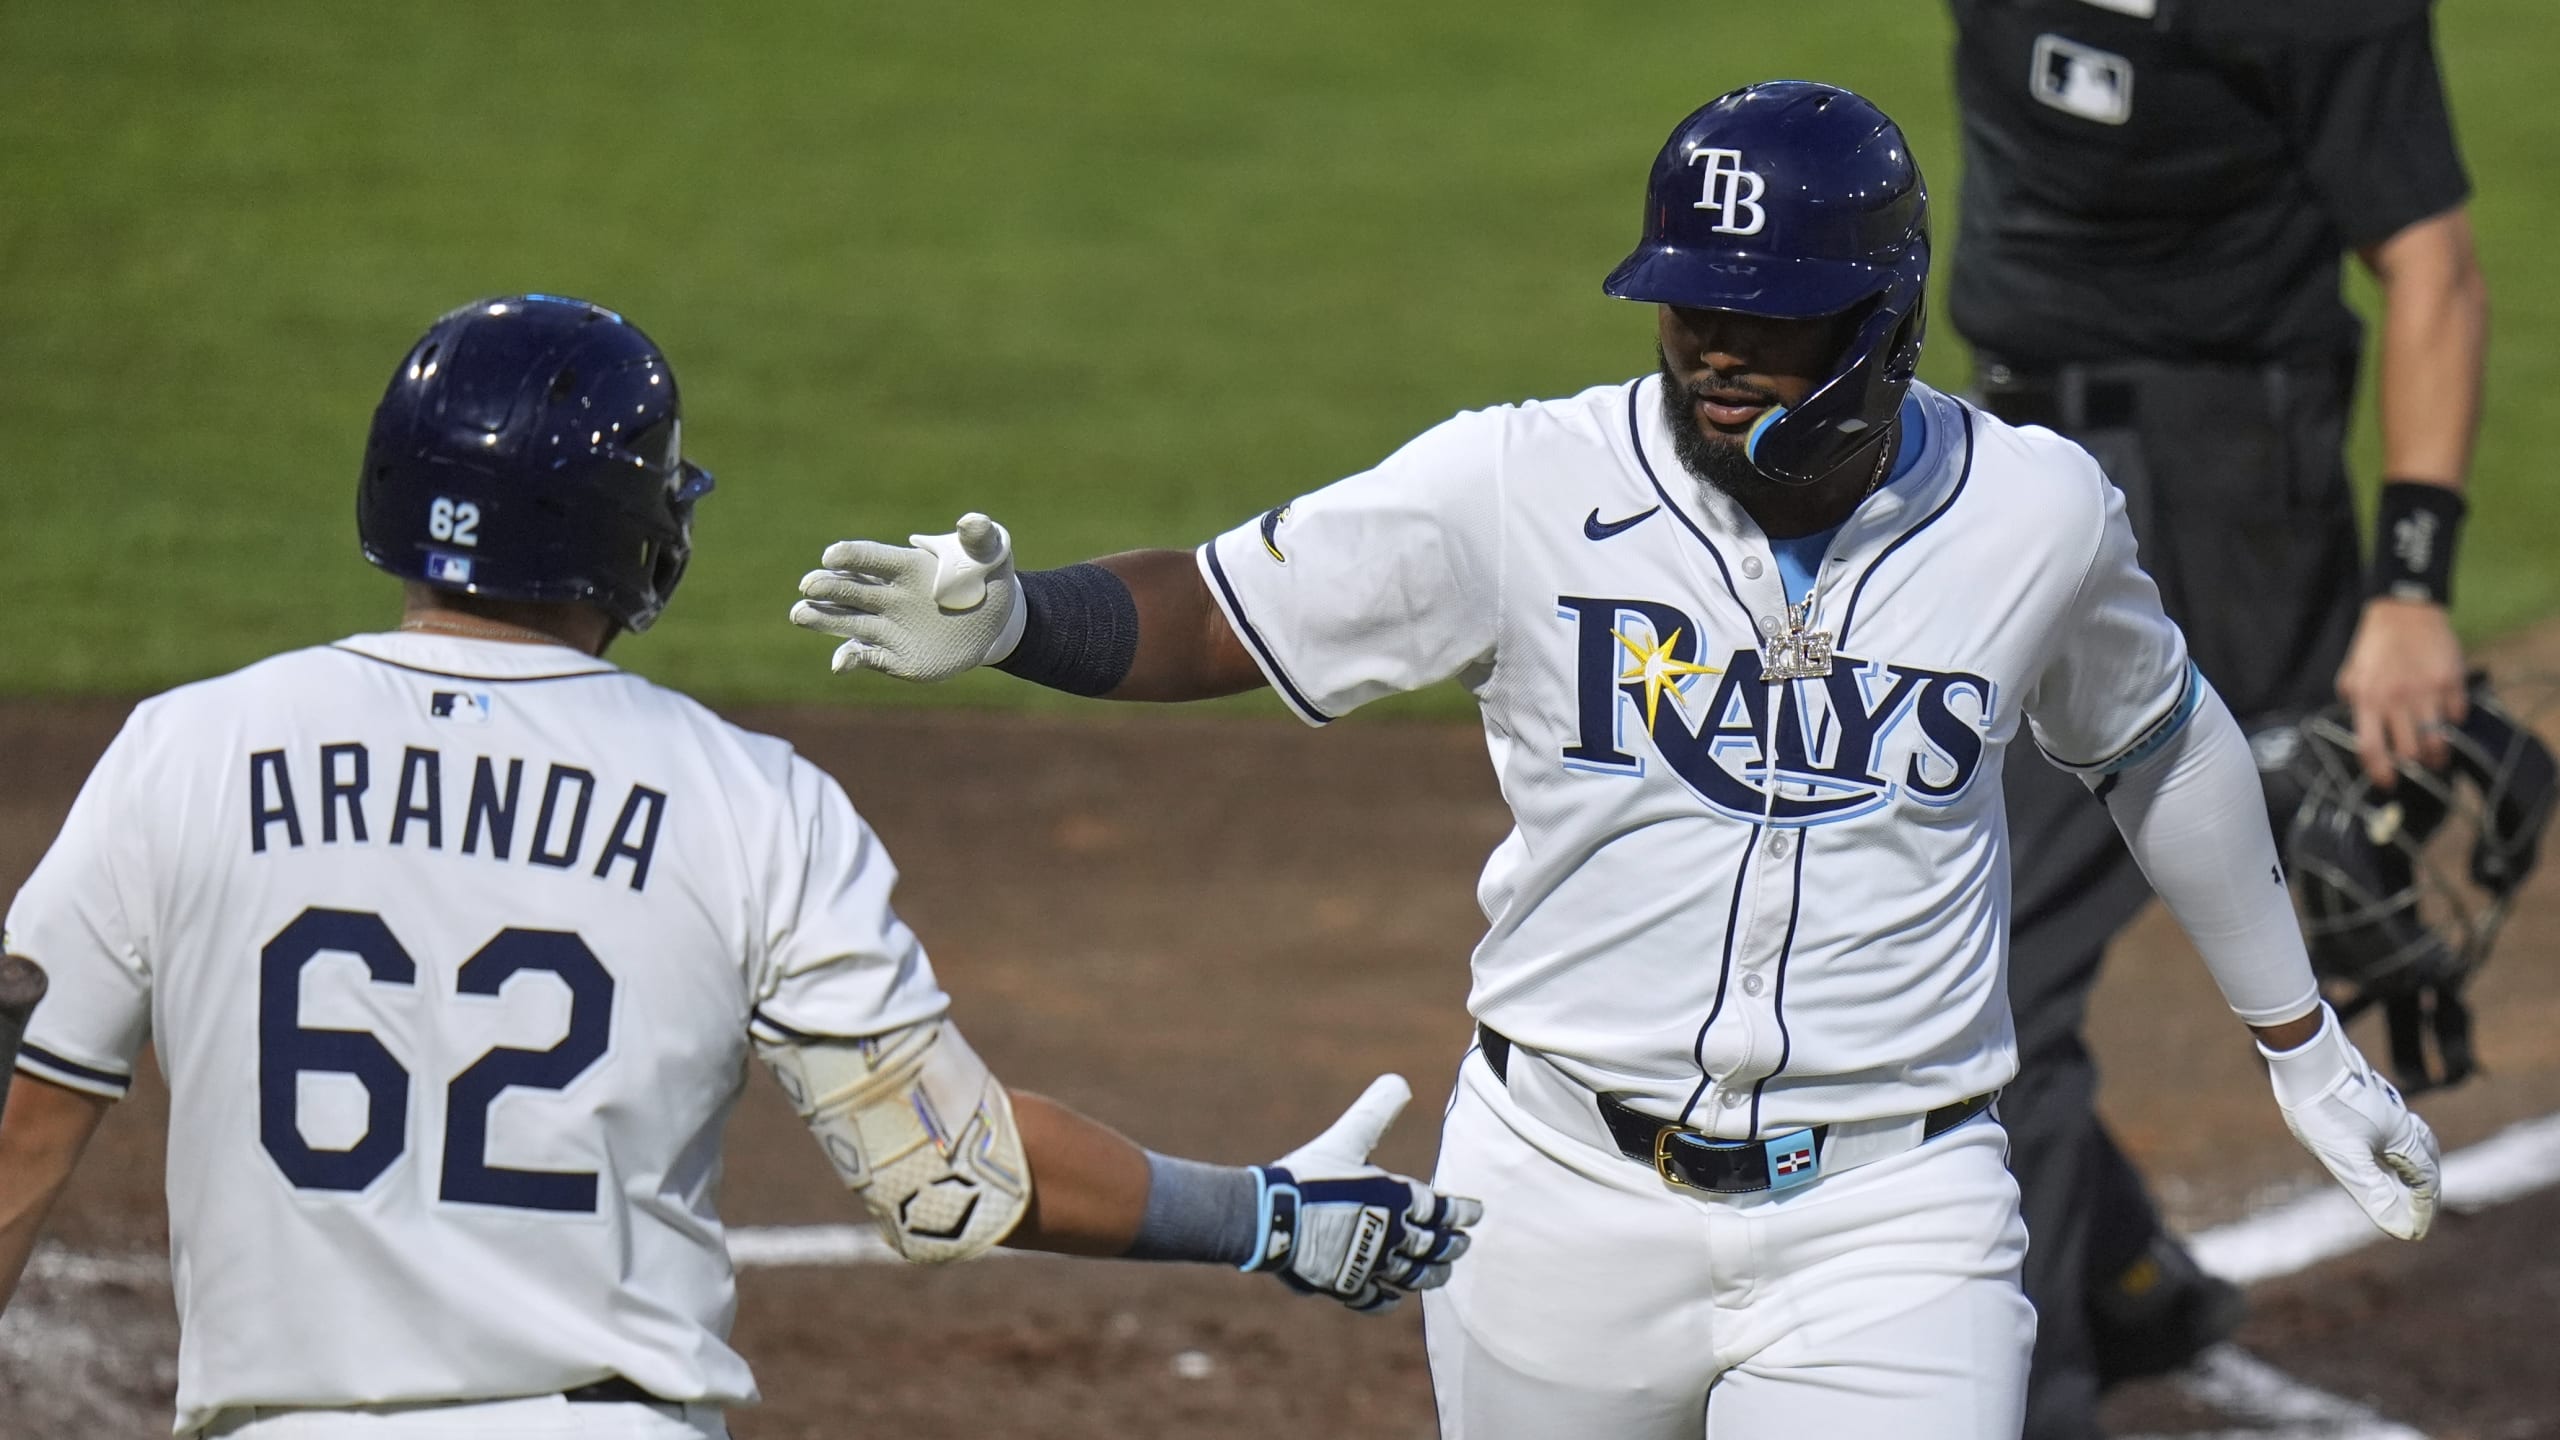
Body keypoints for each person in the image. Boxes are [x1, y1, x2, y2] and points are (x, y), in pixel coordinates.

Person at [786, 82, 2440, 1440]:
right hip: (1554, 1195)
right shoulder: (1522, 485)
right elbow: (1224, 608)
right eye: (1693, 306)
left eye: (1767, 318)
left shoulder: (2033, 514)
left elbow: (2160, 745)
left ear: (1881, 319)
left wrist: (2300, 1046)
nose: (1716, 348)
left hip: (1895, 1216)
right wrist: (1018, 618)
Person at [0, 295, 1479, 1440]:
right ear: (634, 533)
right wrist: (1265, 1215)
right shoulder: (746, 800)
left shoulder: (184, 752)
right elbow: (948, 1176)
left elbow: (21, 1139)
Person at [1943, 2, 2489, 1431]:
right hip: (2006, 454)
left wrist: (2409, 590)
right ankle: (2124, 1277)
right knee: (1936, 905)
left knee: (1976, 955)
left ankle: (2021, 1399)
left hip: (2213, 486)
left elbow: (2430, 262)